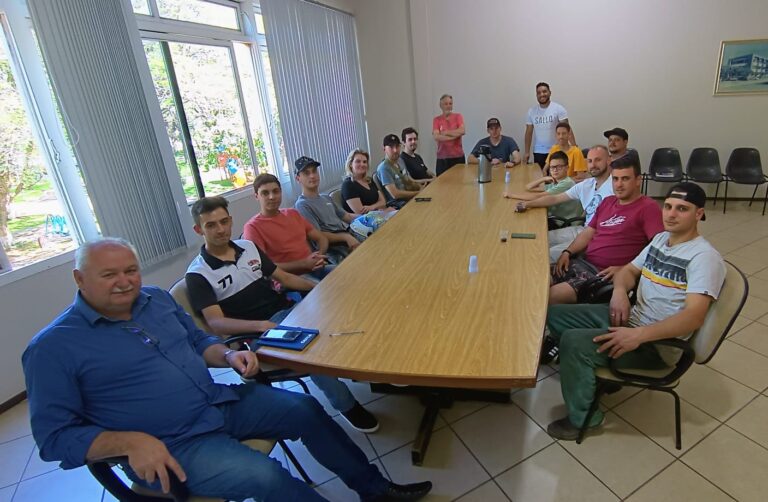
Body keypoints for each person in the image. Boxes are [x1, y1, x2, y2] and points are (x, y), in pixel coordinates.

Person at [22, 238, 433, 501]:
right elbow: (54, 439)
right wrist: (129, 442)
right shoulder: (53, 348)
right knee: (266, 476)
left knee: (305, 410)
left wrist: (228, 356)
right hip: (171, 442)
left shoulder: (155, 299)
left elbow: (199, 341)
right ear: (79, 278)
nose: (125, 282)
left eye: (131, 270)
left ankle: (375, 490)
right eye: (109, 274)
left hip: (217, 403)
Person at [545, 182, 725, 440]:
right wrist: (620, 292)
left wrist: (638, 335)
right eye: (668, 207)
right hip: (632, 318)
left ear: (699, 214)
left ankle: (585, 418)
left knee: (573, 342)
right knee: (555, 314)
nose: (671, 214)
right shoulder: (661, 240)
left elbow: (693, 316)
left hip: (656, 345)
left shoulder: (704, 258)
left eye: (682, 209)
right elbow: (628, 271)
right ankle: (597, 374)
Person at [187, 196, 378, 433]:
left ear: (231, 220)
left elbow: (284, 278)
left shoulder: (247, 247)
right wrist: (260, 326)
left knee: (347, 311)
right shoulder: (198, 274)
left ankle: (371, 370)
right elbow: (217, 323)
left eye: (224, 222)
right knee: (310, 351)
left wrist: (321, 289)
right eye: (211, 225)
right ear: (198, 230)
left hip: (287, 311)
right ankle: (348, 406)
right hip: (259, 334)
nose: (220, 229)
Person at [549, 155, 664, 305]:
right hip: (581, 263)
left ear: (638, 180)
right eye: (615, 179)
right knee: (537, 281)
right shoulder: (607, 202)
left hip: (602, 275)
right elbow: (588, 232)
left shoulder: (648, 207)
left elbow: (659, 248)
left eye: (625, 179)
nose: (619, 184)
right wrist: (567, 252)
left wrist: (627, 269)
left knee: (546, 297)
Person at [516, 145, 615, 262]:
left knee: (544, 255)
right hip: (582, 229)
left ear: (609, 160)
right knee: (539, 240)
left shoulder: (615, 187)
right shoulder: (587, 184)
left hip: (596, 238)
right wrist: (527, 204)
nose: (593, 164)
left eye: (598, 160)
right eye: (589, 161)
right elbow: (554, 199)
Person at [243, 173, 333, 282]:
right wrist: (304, 264)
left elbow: (321, 238)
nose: (272, 197)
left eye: (276, 191)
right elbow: (263, 266)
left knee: (346, 274)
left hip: (315, 268)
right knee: (329, 289)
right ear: (257, 196)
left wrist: (319, 257)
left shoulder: (292, 213)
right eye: (265, 193)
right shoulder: (252, 227)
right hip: (288, 280)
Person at [294, 156, 362, 263]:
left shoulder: (326, 198)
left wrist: (370, 216)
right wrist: (346, 237)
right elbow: (318, 235)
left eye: (314, 171)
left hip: (346, 237)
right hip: (333, 249)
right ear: (298, 178)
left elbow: (347, 216)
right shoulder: (302, 205)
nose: (312, 176)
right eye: (306, 173)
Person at [503, 151, 582, 222]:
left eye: (559, 167)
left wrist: (511, 195)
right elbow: (529, 187)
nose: (555, 170)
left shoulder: (566, 183)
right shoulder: (555, 182)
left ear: (567, 167)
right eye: (552, 167)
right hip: (555, 217)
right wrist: (544, 178)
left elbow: (539, 196)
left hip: (562, 221)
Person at [523, 82, 574, 168]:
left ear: (550, 92)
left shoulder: (558, 109)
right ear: (536, 95)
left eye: (544, 91)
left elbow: (567, 129)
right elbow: (528, 132)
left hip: (557, 150)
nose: (542, 94)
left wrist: (574, 146)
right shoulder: (531, 111)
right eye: (539, 93)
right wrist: (527, 152)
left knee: (557, 175)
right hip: (539, 152)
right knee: (541, 175)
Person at [342, 148, 391, 213]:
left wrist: (371, 207)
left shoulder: (369, 180)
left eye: (364, 162)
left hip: (380, 214)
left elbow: (383, 201)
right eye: (358, 161)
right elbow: (361, 212)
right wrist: (381, 210)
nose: (362, 164)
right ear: (350, 164)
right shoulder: (348, 184)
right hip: (366, 218)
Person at [377, 134, 421, 203]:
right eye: (391, 147)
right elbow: (395, 194)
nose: (395, 150)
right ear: (384, 148)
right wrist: (417, 193)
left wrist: (421, 187)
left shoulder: (400, 160)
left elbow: (409, 180)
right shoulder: (384, 168)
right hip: (399, 204)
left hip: (411, 198)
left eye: (397, 146)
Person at [431, 94, 465, 176]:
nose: (448, 106)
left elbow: (462, 131)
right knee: (442, 182)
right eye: (446, 104)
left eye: (450, 103)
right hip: (442, 159)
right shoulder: (437, 120)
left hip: (458, 157)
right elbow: (436, 136)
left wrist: (445, 132)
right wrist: (454, 136)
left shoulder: (458, 116)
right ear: (441, 105)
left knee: (458, 181)